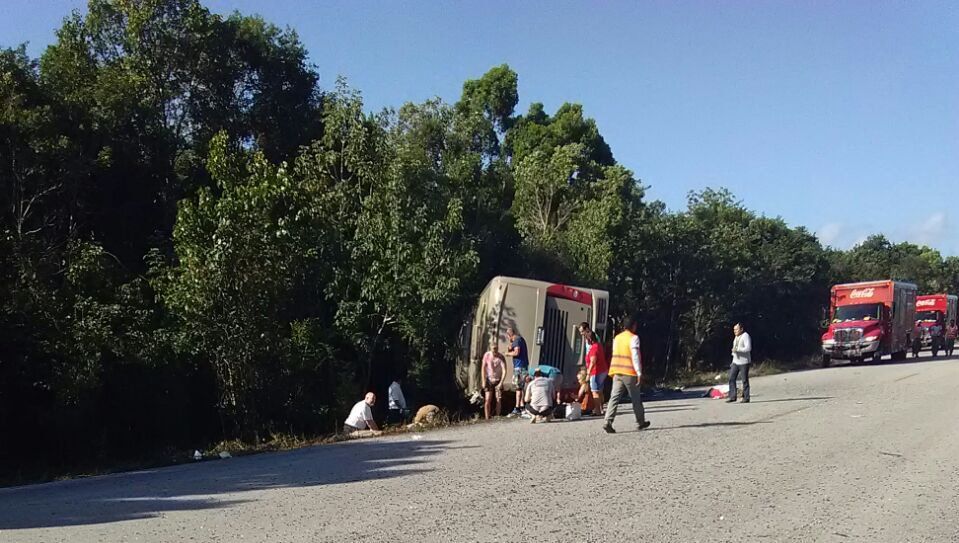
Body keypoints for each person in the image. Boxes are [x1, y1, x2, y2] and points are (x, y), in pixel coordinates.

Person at [603, 314, 650, 434]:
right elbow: (635, 356)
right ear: (634, 326)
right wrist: (639, 373)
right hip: (630, 372)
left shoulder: (617, 338)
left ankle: (608, 421)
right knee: (636, 399)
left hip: (617, 371)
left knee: (614, 398)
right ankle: (641, 422)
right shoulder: (634, 338)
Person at [506, 327, 530, 416]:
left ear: (510, 335)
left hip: (518, 367)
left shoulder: (516, 341)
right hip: (524, 366)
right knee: (522, 387)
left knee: (518, 388)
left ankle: (517, 408)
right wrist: (511, 347)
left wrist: (507, 354)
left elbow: (517, 353)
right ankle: (522, 406)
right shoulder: (521, 339)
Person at [584, 330, 609, 416]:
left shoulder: (593, 348)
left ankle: (597, 411)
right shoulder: (599, 345)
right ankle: (602, 409)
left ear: (589, 339)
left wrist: (588, 373)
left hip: (595, 372)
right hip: (603, 370)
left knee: (595, 392)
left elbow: (593, 361)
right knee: (600, 390)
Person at [481, 340, 507, 420]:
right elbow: (483, 368)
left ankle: (497, 416)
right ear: (491, 349)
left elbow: (504, 370)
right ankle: (487, 417)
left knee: (498, 398)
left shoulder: (501, 357)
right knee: (487, 399)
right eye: (493, 349)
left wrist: (501, 382)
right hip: (489, 379)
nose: (495, 350)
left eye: (496, 349)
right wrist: (483, 381)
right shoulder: (487, 355)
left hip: (498, 379)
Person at [727, 322, 752, 403]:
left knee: (744, 380)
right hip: (735, 362)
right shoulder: (736, 337)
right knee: (731, 378)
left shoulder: (745, 336)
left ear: (741, 329)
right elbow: (735, 348)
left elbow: (748, 348)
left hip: (744, 362)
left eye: (736, 329)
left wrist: (738, 350)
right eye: (734, 330)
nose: (735, 331)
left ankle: (746, 397)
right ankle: (732, 396)